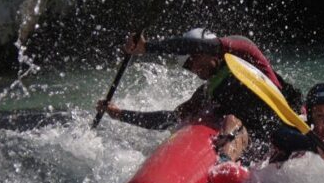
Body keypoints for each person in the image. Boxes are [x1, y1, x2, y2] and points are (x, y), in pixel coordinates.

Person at [97, 28, 302, 164]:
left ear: (207, 50)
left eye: (193, 59)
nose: (193, 68)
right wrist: (119, 114)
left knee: (232, 121)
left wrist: (148, 47)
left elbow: (198, 45)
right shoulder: (208, 92)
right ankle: (224, 168)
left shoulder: (242, 51)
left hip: (291, 125)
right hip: (263, 145)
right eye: (187, 65)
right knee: (230, 122)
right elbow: (171, 118)